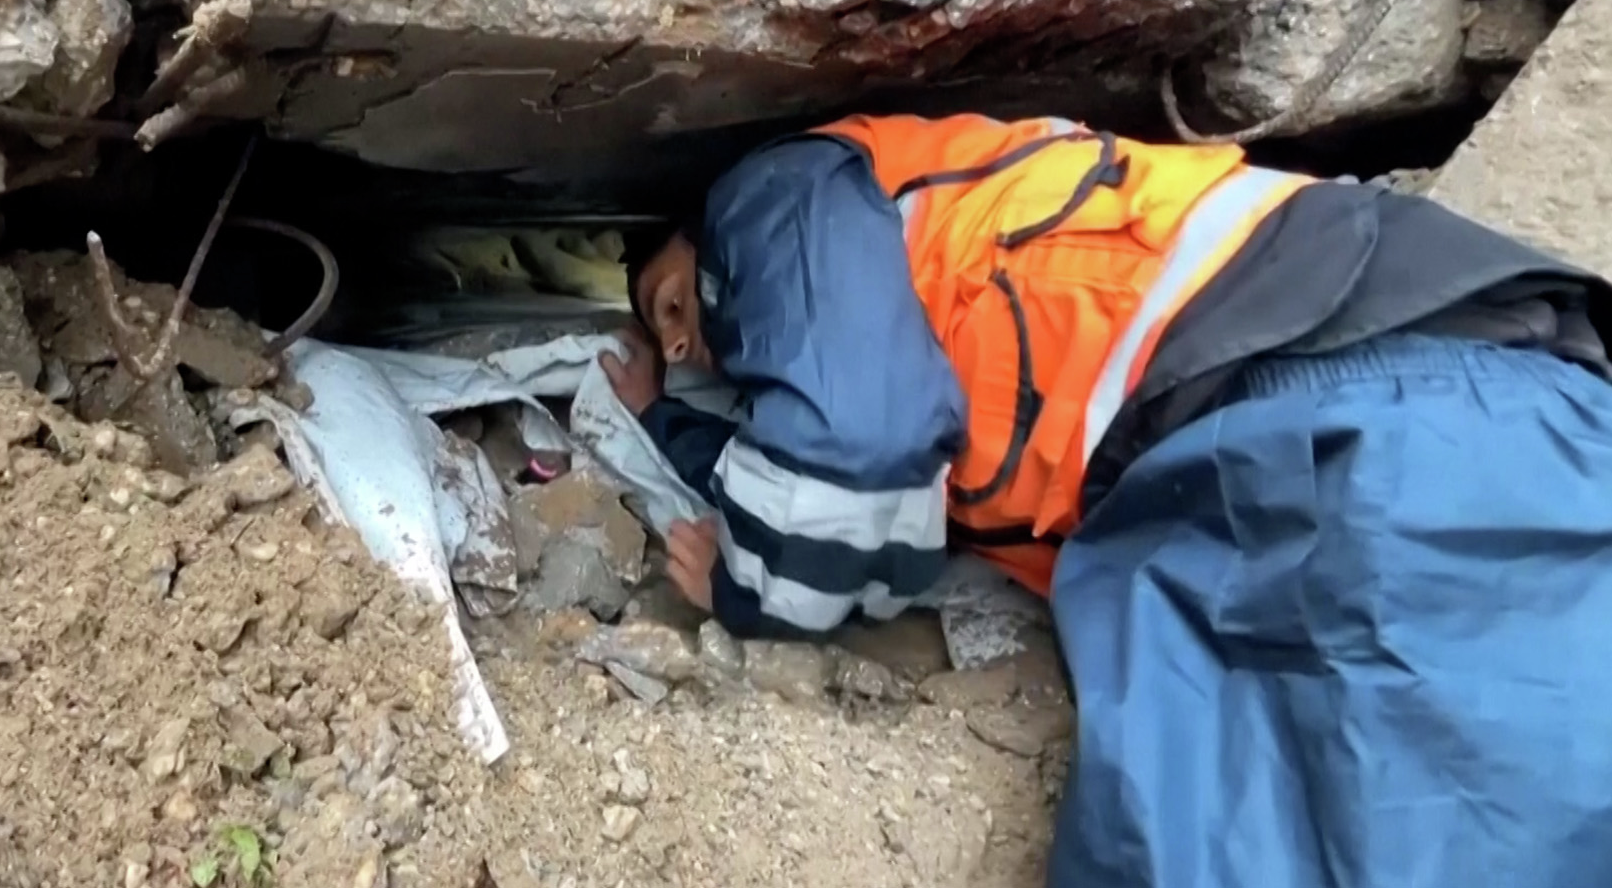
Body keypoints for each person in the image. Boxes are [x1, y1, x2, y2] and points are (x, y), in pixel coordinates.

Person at [597, 112, 1612, 888]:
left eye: (673, 303)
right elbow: (840, 454)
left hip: (1358, 408)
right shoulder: (889, 328)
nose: (681, 341)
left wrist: (747, 590)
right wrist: (659, 419)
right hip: (1246, 482)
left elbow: (855, 452)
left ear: (704, 233)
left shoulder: (780, 189)